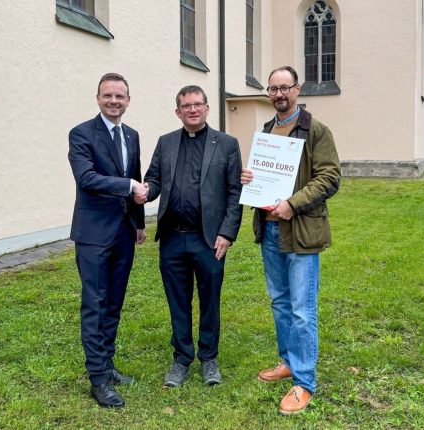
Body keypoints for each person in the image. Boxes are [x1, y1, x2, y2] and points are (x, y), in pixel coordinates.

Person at [241, 66, 340, 415]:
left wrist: (293, 204)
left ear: (298, 89)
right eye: (273, 89)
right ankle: (287, 362)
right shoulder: (267, 132)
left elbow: (330, 177)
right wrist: (250, 178)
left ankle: (304, 382)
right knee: (280, 302)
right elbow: (264, 178)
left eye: (285, 87)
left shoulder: (316, 130)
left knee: (302, 309)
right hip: (269, 230)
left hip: (300, 231)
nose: (279, 94)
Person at [144, 85, 243, 388]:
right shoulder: (166, 143)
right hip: (173, 238)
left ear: (207, 108)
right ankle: (182, 358)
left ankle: (209, 357)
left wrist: (227, 232)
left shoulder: (226, 144)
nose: (193, 110)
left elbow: (235, 192)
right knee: (178, 301)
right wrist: (146, 190)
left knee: (209, 300)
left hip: (209, 239)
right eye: (186, 106)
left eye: (198, 104)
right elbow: (154, 179)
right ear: (178, 112)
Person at [67, 72, 148, 409]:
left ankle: (107, 363)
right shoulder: (81, 134)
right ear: (98, 98)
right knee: (95, 304)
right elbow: (87, 178)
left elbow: (136, 177)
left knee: (114, 302)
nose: (114, 101)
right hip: (94, 235)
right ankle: (98, 379)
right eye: (108, 95)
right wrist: (128, 186)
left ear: (128, 100)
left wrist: (139, 223)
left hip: (124, 232)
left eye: (119, 96)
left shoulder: (131, 135)